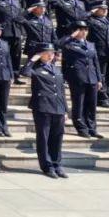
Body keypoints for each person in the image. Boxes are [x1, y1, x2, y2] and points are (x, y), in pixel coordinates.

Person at [19, 43, 68, 179]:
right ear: (40, 54)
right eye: (47, 52)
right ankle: (47, 166)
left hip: (58, 108)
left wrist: (65, 110)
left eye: (52, 52)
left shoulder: (56, 69)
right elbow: (24, 72)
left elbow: (61, 91)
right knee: (43, 138)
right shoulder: (36, 69)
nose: (50, 55)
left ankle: (57, 164)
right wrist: (33, 59)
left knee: (57, 138)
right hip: (43, 108)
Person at [60, 21, 104, 139]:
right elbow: (59, 44)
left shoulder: (91, 44)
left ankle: (92, 128)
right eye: (81, 29)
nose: (84, 32)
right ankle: (81, 127)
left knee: (91, 105)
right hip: (77, 77)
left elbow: (96, 63)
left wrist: (99, 79)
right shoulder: (70, 44)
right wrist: (72, 36)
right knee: (79, 103)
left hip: (92, 77)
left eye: (86, 30)